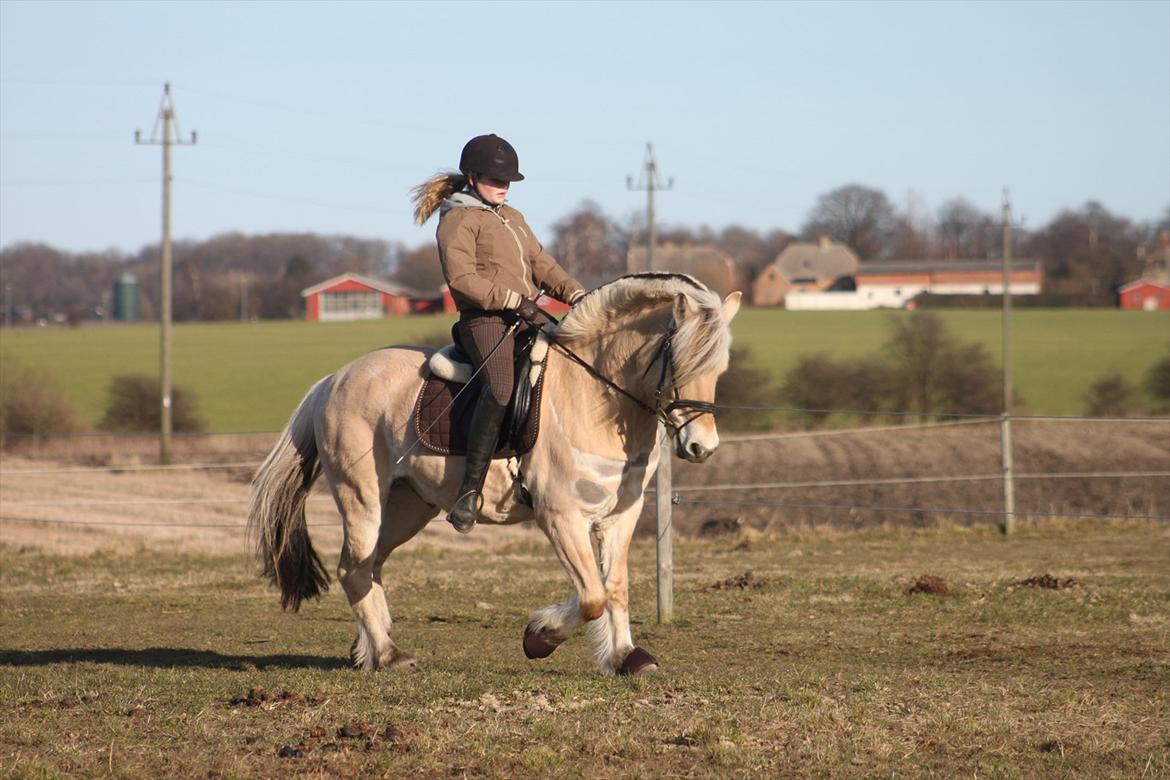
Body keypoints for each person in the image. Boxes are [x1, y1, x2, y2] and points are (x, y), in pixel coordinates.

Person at [411, 134, 586, 533]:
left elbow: (543, 265)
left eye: (508, 180)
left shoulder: (514, 218)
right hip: (484, 322)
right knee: (502, 387)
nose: (503, 186)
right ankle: (469, 491)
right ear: (472, 177)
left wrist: (580, 295)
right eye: (495, 179)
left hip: (526, 316)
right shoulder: (458, 220)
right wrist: (512, 299)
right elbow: (463, 280)